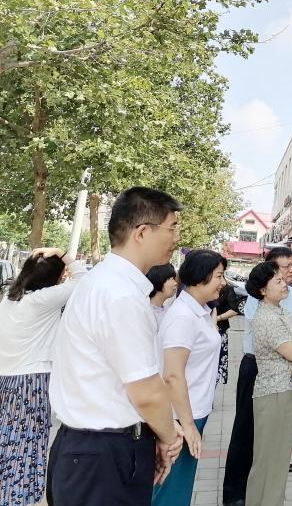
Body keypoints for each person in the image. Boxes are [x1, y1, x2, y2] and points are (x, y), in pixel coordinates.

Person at [47, 187, 184, 505]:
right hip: (103, 457)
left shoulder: (103, 282)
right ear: (142, 232)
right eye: (172, 227)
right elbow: (146, 392)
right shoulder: (120, 295)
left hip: (91, 450)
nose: (177, 237)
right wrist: (168, 436)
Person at [0, 248, 85, 505]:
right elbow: (84, 279)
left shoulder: (10, 299)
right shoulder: (43, 300)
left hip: (7, 378)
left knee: (10, 442)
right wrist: (62, 253)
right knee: (28, 444)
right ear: (54, 277)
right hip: (32, 381)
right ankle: (19, 498)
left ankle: (10, 495)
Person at [222, 247, 292, 506]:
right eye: (285, 267)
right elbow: (290, 339)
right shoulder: (259, 297)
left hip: (285, 369)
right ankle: (235, 493)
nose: (291, 270)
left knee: (273, 437)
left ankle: (265, 488)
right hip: (256, 365)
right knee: (245, 430)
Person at [152, 249, 226, 506]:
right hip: (180, 416)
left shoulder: (199, 311)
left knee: (178, 486)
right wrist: (188, 425)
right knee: (170, 491)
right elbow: (173, 375)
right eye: (219, 276)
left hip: (193, 410)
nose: (223, 282)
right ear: (200, 276)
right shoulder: (183, 317)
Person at [245, 261, 292, 506]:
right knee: (270, 459)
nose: (285, 284)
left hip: (283, 391)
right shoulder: (266, 318)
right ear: (263, 290)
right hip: (274, 394)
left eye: (283, 280)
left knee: (278, 457)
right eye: (278, 281)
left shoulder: (280, 311)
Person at [214, 284, 242, 384]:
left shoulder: (227, 289)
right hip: (202, 331)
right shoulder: (202, 286)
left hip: (220, 330)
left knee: (217, 368)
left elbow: (234, 309)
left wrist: (217, 318)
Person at [147, 263, 178, 328]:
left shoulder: (166, 309)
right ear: (159, 281)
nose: (175, 283)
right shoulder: (148, 313)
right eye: (172, 279)